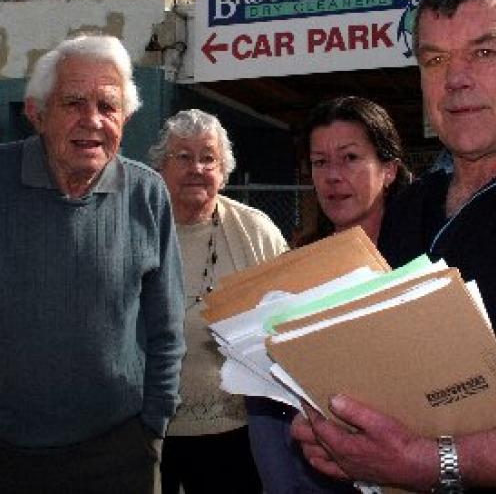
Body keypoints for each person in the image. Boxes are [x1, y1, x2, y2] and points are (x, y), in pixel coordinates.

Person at [291, 0, 496, 493]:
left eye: (484, 52)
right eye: (435, 60)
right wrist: (343, 429)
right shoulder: (408, 208)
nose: (456, 80)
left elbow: (423, 455)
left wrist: (435, 461)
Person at [0, 35, 185, 494]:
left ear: (126, 117)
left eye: (108, 105)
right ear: (36, 113)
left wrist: (153, 424)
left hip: (117, 449)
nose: (93, 121)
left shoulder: (148, 193)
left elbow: (167, 325)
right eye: (74, 103)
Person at [248, 95, 411, 494]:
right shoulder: (294, 270)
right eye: (320, 162)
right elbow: (267, 408)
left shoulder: (421, 264)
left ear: (388, 169)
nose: (332, 176)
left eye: (350, 158)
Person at [148, 108, 288, 494]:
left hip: (236, 430)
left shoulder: (254, 230)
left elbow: (290, 314)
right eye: (183, 156)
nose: (197, 168)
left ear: (223, 171)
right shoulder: (138, 226)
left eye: (208, 158)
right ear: (160, 168)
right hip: (148, 429)